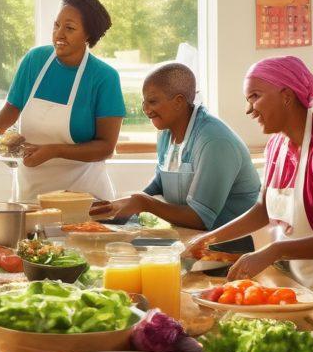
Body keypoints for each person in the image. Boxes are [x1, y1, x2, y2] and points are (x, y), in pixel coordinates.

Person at [185, 56, 313, 351]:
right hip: (310, 280)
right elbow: (263, 210)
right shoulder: (277, 145)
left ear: (286, 96)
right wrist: (209, 239)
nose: (249, 109)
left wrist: (274, 250)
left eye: (255, 97)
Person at [91, 62, 260, 253]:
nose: (145, 109)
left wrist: (145, 203)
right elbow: (158, 185)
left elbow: (200, 219)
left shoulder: (214, 141)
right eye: (144, 102)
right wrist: (118, 207)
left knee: (130, 251)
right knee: (116, 246)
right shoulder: (166, 133)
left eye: (153, 101)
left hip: (229, 247)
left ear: (179, 102)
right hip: (191, 240)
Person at [0, 0, 125, 201]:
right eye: (56, 25)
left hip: (83, 196)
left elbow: (105, 147)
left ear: (88, 34)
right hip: (31, 196)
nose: (59, 34)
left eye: (70, 28)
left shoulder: (104, 77)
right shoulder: (35, 61)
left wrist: (53, 151)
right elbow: (7, 116)